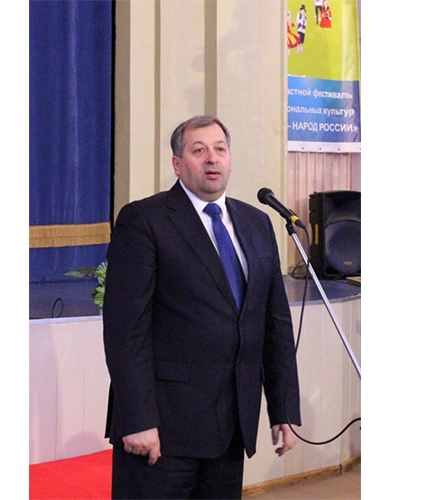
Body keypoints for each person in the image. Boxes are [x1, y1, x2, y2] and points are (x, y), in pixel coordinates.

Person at [103, 115, 301, 499]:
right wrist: (138, 419)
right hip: (163, 431)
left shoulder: (257, 223)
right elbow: (126, 331)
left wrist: (283, 409)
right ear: (177, 164)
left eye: (220, 149)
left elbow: (274, 323)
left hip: (230, 429)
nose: (212, 158)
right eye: (199, 150)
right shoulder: (145, 220)